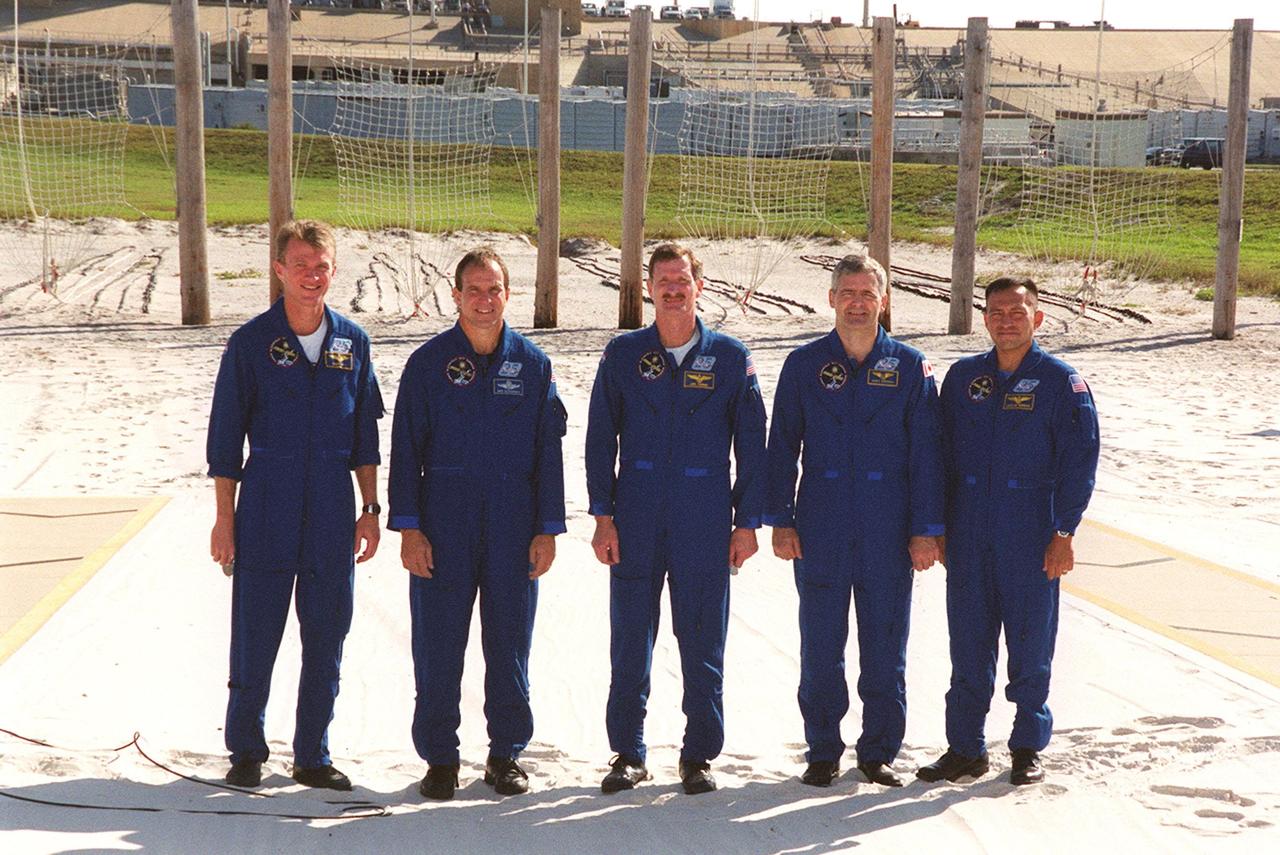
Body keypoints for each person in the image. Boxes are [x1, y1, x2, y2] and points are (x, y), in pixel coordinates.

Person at [207, 219, 384, 791]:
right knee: (254, 634)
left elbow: (365, 438)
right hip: (267, 504)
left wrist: (371, 509)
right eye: (301, 265)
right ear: (279, 270)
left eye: (322, 266)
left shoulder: (352, 342)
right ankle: (246, 751)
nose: (312, 276)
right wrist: (224, 520)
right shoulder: (251, 343)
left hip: (334, 508)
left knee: (327, 637)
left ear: (334, 271)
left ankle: (313, 754)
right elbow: (225, 442)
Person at [586, 242, 767, 795]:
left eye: (682, 280)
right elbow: (599, 440)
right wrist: (602, 515)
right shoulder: (623, 354)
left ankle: (698, 756)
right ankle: (627, 753)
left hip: (705, 514)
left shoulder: (732, 358)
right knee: (629, 641)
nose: (672, 289)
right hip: (636, 513)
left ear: (699, 286)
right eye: (662, 280)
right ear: (648, 288)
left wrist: (746, 523)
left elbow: (753, 447)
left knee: (703, 641)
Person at [388, 248, 567, 801]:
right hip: (444, 524)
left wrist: (547, 528)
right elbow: (404, 450)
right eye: (474, 290)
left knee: (509, 641)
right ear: (456, 296)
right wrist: (409, 528)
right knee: (438, 643)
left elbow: (548, 455)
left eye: (494, 290)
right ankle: (440, 758)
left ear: (508, 295)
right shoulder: (428, 363)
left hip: (514, 525)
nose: (484, 301)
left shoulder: (533, 365)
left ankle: (505, 754)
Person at [765, 253, 945, 789]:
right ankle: (822, 749)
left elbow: (927, 457)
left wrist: (925, 529)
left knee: (885, 647)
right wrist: (781, 519)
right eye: (848, 293)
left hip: (889, 525)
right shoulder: (803, 364)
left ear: (884, 300)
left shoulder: (910, 367)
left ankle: (878, 751)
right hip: (820, 522)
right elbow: (782, 448)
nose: (858, 303)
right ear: (831, 299)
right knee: (821, 644)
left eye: (869, 293)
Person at [918, 276, 1099, 786]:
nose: (1006, 320)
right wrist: (938, 527)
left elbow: (1079, 463)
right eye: (996, 312)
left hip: (1031, 532)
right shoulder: (963, 378)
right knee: (969, 645)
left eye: (1017, 311)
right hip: (969, 531)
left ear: (1037, 318)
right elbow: (938, 456)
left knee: (1030, 645)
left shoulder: (1063, 383)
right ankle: (965, 749)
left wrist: (1064, 533)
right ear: (985, 319)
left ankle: (1025, 748)